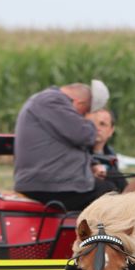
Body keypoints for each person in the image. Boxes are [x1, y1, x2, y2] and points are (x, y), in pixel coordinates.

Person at [13, 82, 117, 210]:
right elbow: (84, 135)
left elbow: (66, 143)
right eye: (84, 113)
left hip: (48, 180)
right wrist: (91, 123)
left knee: (111, 184)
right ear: (79, 103)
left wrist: (92, 164)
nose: (82, 117)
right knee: (109, 192)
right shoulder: (52, 101)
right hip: (49, 184)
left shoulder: (47, 101)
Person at [88, 108, 128, 193]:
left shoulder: (111, 155)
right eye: (92, 124)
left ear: (111, 130)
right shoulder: (78, 152)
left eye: (102, 124)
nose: (97, 128)